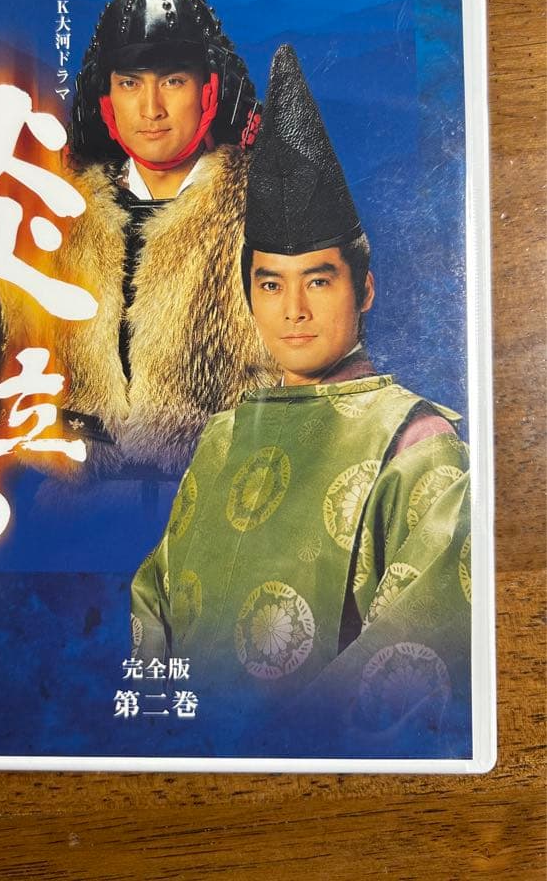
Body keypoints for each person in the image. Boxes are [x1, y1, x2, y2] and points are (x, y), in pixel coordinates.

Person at [130, 45, 471, 754]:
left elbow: (415, 654)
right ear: (249, 295)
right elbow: (155, 598)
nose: (293, 311)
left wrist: (252, 755)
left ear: (363, 288)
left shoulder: (418, 446)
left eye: (319, 280)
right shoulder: (224, 436)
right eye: (270, 284)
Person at [0, 0, 275, 482]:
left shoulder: (269, 212)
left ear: (210, 91)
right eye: (130, 83)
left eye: (173, 81)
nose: (151, 109)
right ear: (106, 100)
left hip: (227, 499)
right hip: (73, 504)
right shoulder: (53, 216)